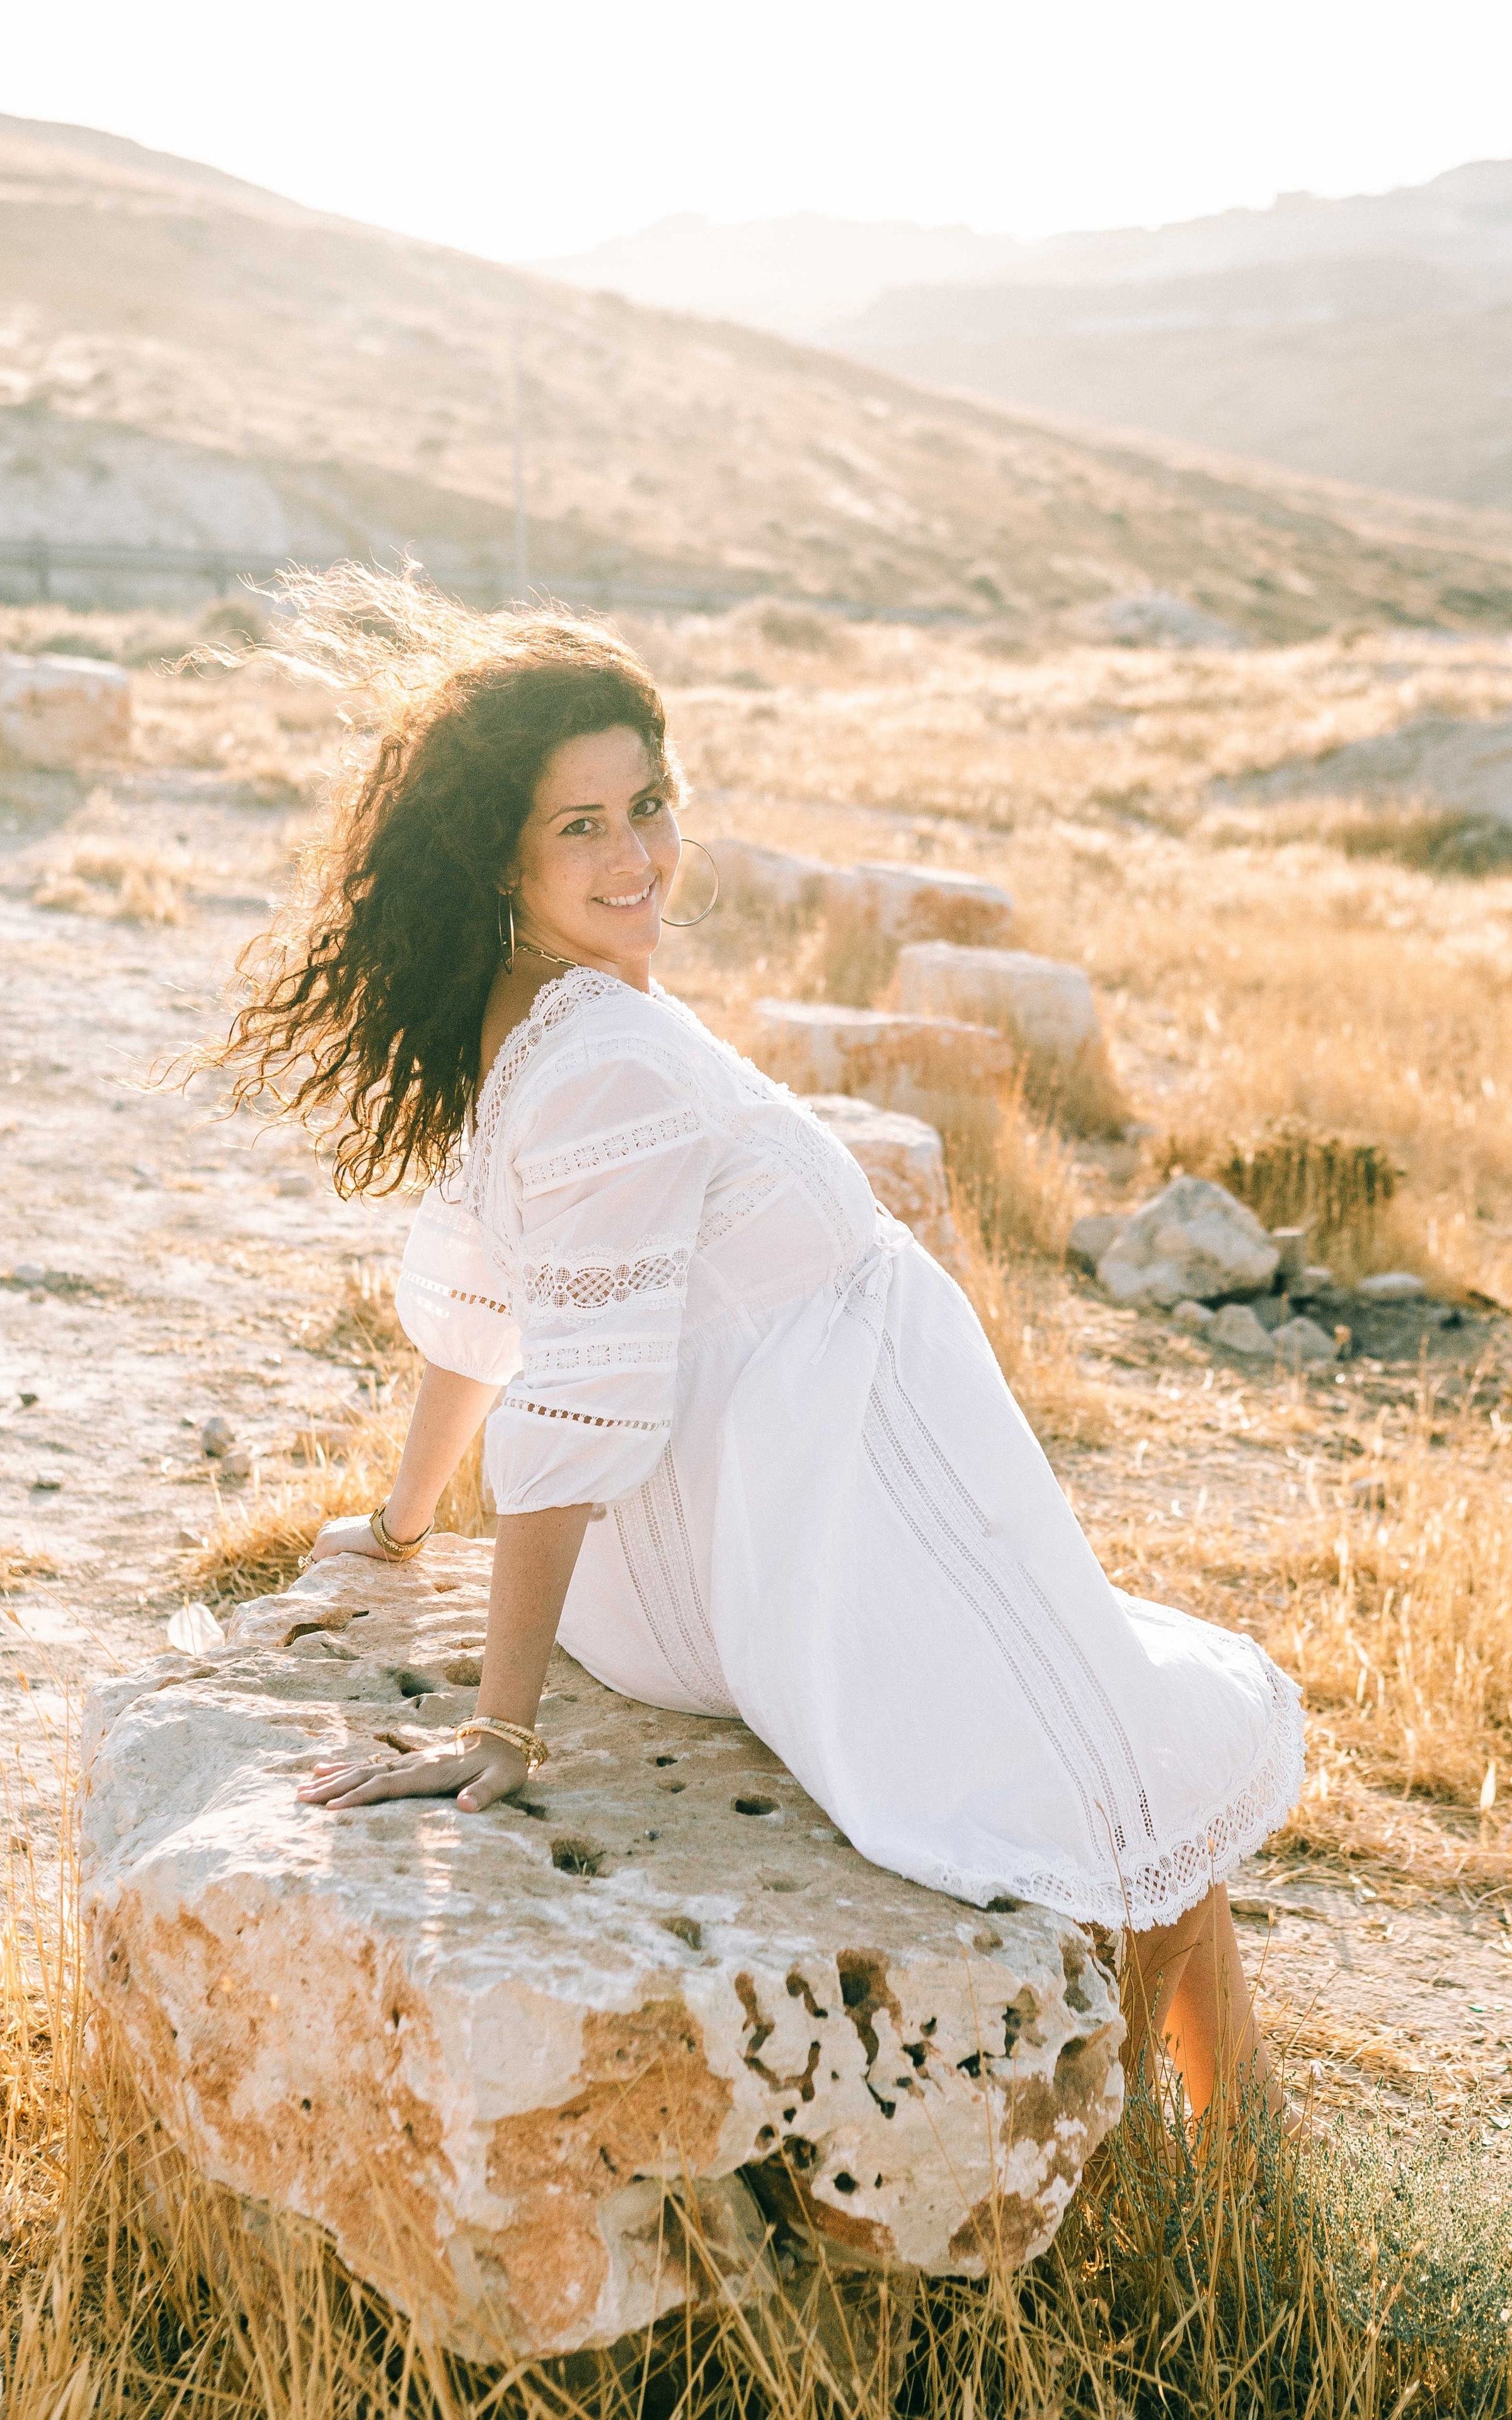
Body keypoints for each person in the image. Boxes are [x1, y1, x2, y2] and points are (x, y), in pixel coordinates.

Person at [209, 572, 1303, 2128]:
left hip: (725, 1544)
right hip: (798, 1543)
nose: (640, 855)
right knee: (1116, 1744)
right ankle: (1209, 2142)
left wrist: (396, 1526)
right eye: (578, 825)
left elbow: (478, 1303)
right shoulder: (606, 1061)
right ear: (496, 857)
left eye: (647, 804)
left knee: (1108, 1704)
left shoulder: (525, 1021)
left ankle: (1232, 2123)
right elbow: (571, 1396)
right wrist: (500, 1727)